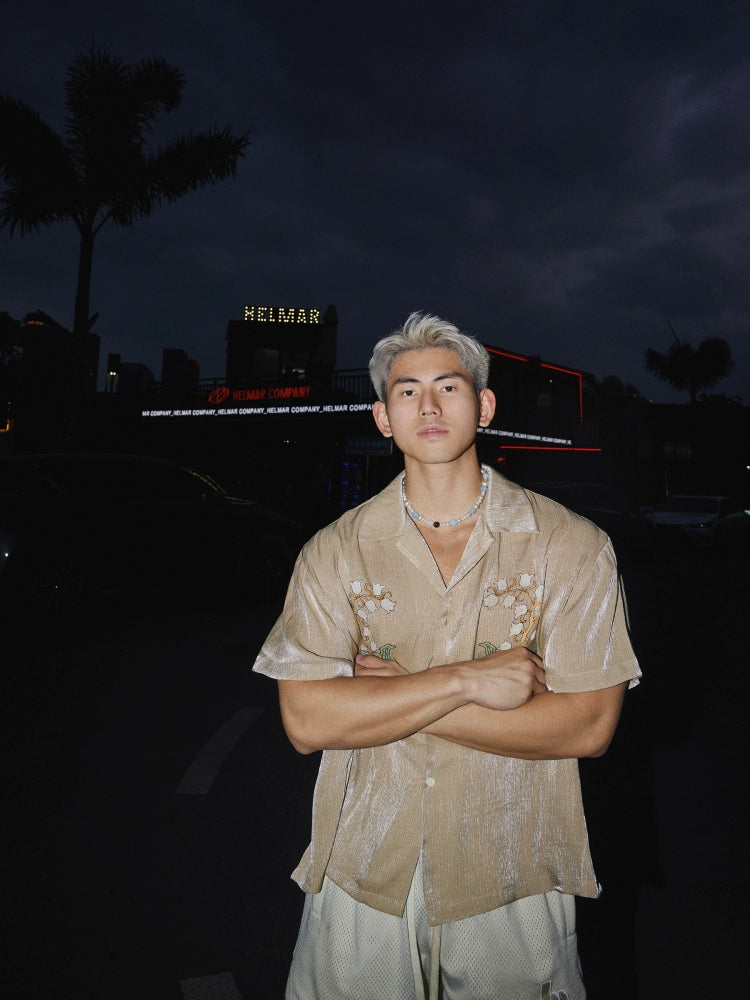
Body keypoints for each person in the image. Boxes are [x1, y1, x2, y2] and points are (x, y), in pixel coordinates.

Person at [253, 312, 640, 1000]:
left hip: (513, 867)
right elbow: (308, 722)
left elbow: (587, 726)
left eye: (448, 387)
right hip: (364, 864)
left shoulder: (570, 546)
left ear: (484, 406)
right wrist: (461, 682)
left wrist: (395, 693)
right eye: (407, 391)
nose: (427, 406)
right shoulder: (333, 552)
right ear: (383, 417)